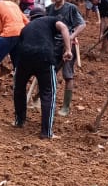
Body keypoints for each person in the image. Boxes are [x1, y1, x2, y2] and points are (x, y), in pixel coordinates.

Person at [13, 9, 72, 139]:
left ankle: (19, 121)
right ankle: (46, 132)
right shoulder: (50, 20)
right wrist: (68, 49)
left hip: (24, 57)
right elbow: (63, 27)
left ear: (31, 18)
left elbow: (18, 45)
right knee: (48, 92)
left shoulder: (26, 27)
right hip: (44, 56)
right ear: (44, 16)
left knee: (19, 88)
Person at [47, 0, 85, 116]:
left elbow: (81, 24)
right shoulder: (50, 9)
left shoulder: (70, 8)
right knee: (49, 72)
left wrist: (71, 37)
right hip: (53, 45)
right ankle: (40, 99)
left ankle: (66, 106)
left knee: (68, 75)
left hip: (67, 47)